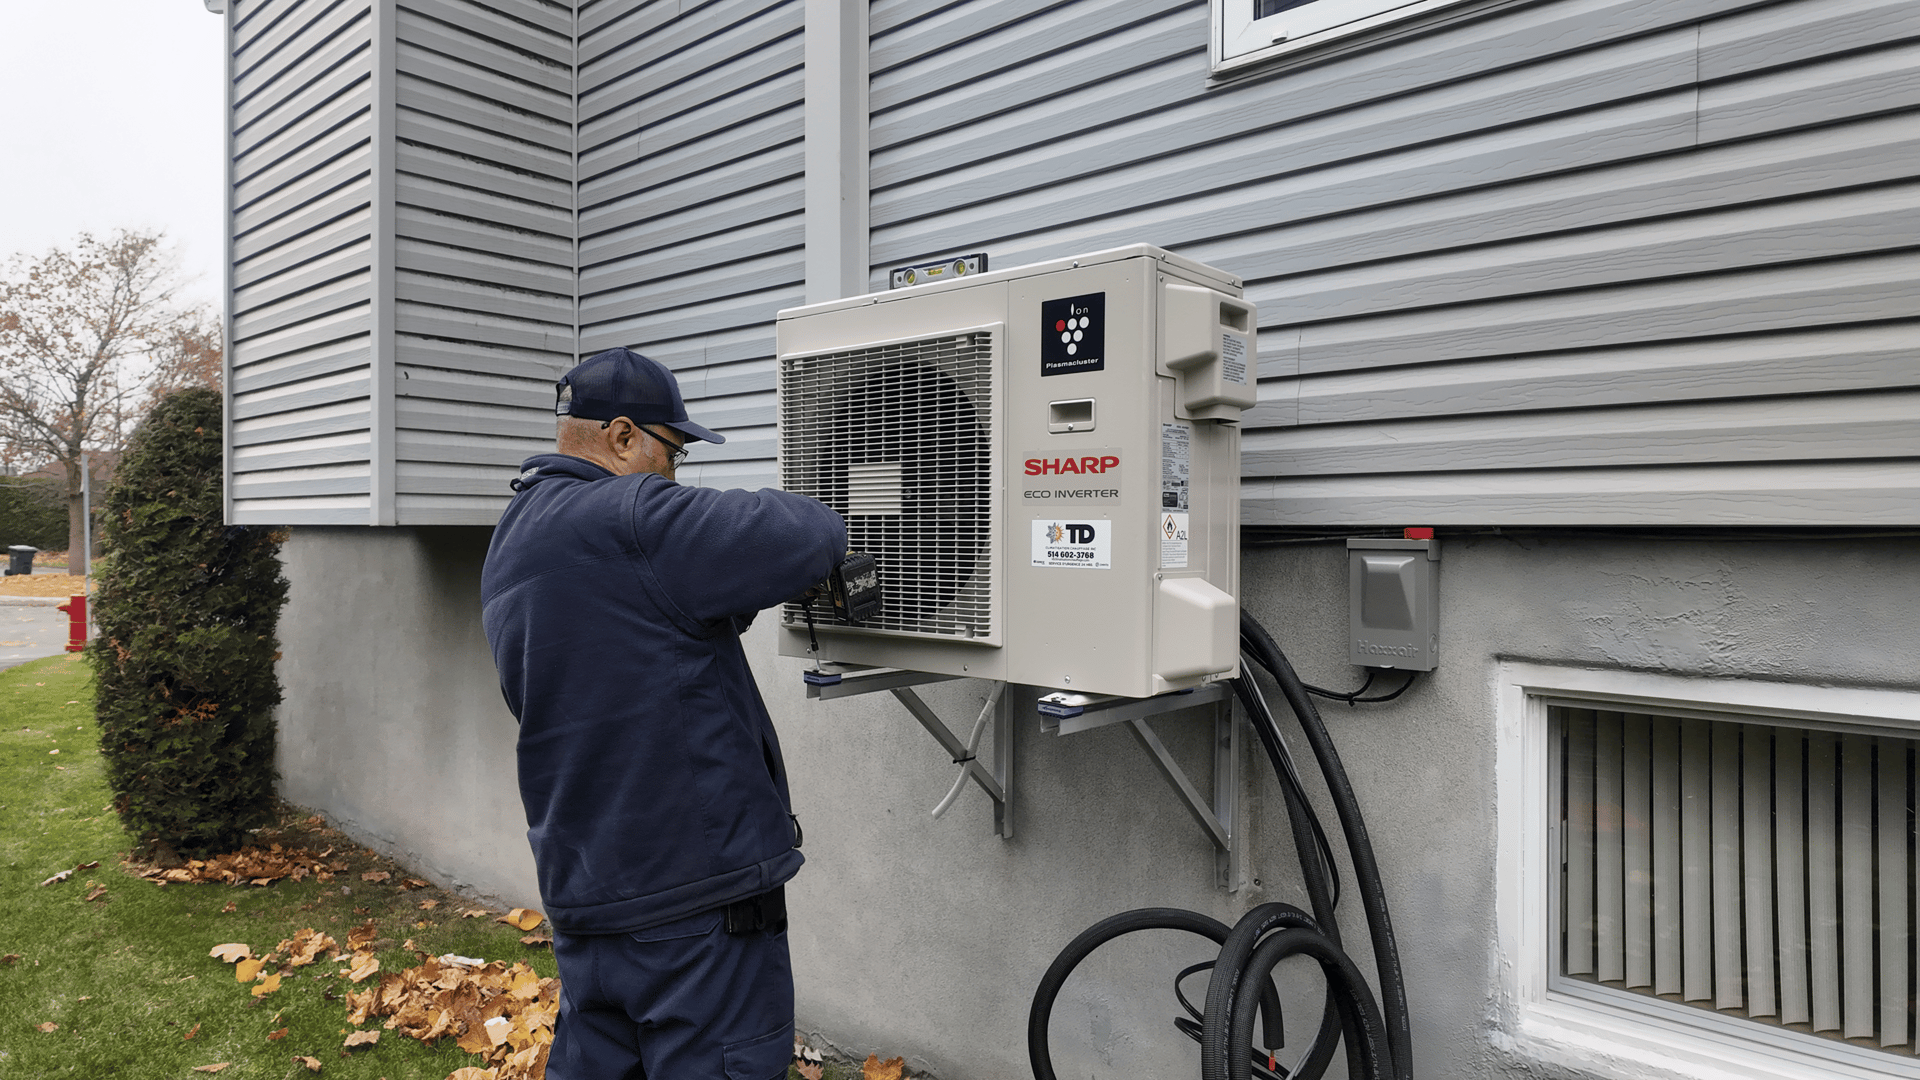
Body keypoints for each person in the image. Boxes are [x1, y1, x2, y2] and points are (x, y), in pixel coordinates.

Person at [481, 346, 847, 1080]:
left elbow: (639, 630)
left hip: (587, 898)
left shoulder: (515, 535)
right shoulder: (632, 514)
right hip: (694, 908)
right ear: (621, 438)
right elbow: (811, 535)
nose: (675, 475)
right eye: (672, 454)